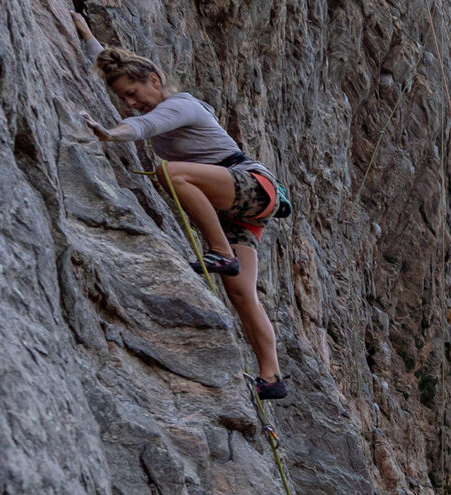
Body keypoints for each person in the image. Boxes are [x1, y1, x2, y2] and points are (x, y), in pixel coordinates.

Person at [70, 12, 290, 399]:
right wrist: (87, 36)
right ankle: (272, 379)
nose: (130, 102)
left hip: (251, 186)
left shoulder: (182, 106)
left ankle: (220, 251)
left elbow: (144, 128)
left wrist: (111, 133)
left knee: (171, 173)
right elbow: (116, 70)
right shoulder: (151, 98)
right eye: (123, 97)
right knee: (241, 295)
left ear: (155, 81)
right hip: (236, 205)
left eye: (134, 94)